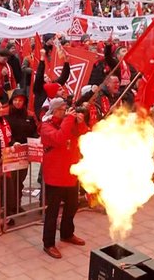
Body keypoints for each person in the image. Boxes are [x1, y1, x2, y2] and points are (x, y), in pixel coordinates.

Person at [40, 98, 87, 259]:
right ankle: (48, 243)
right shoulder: (46, 126)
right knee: (53, 211)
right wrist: (68, 119)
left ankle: (67, 233)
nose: (65, 111)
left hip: (70, 172)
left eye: (65, 109)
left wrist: (80, 122)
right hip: (55, 175)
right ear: (53, 111)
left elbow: (84, 134)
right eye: (61, 109)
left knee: (72, 205)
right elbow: (59, 138)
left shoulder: (69, 122)